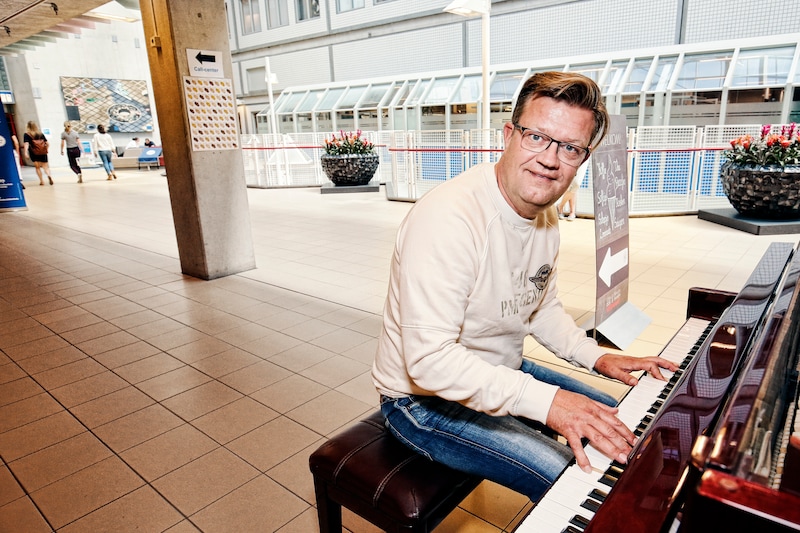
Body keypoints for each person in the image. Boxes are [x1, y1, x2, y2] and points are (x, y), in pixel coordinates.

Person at [372, 71, 678, 501]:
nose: (550, 160)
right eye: (537, 137)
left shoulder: (543, 213)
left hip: (500, 368)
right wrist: (550, 404)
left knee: (627, 426)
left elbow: (540, 307)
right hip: (420, 400)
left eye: (569, 147)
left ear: (583, 158)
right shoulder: (448, 219)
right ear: (509, 135)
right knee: (584, 483)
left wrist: (597, 357)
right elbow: (429, 362)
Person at [23, 121, 53, 186]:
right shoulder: (40, 134)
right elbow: (47, 143)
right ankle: (49, 175)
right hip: (43, 153)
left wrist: (25, 152)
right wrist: (46, 150)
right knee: (45, 167)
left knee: (37, 167)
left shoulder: (27, 134)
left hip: (34, 153)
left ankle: (42, 181)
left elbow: (26, 144)